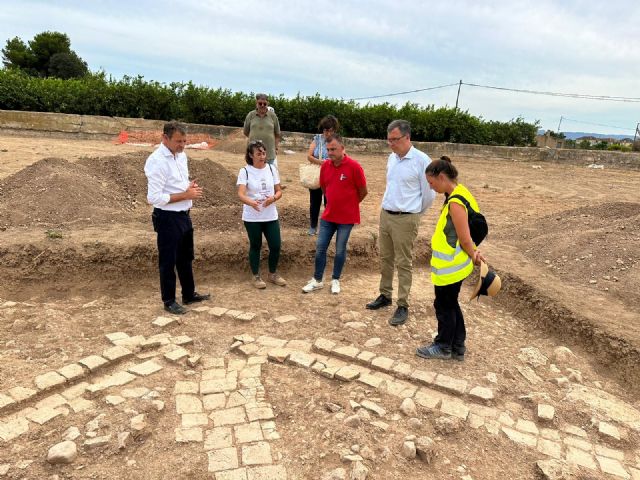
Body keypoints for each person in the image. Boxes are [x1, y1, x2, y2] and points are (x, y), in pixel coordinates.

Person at [366, 119, 436, 326]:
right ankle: (385, 295)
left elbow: (429, 194)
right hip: (386, 215)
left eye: (394, 140)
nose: (391, 144)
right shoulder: (391, 158)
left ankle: (402, 304)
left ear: (407, 137)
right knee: (385, 258)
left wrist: (414, 214)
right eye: (388, 140)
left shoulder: (422, 161)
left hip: (406, 218)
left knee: (404, 262)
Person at [416, 156, 486, 360]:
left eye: (431, 182)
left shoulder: (455, 202)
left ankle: (444, 346)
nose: (431, 187)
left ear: (442, 177)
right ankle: (458, 346)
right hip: (456, 263)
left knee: (444, 306)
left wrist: (473, 253)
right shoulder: (461, 192)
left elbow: (464, 237)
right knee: (451, 304)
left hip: (450, 266)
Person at [144, 121, 210, 315]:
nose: (182, 145)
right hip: (167, 218)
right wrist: (186, 195)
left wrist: (188, 187)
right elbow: (154, 198)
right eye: (178, 141)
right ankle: (169, 301)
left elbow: (175, 184)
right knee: (168, 261)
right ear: (165, 138)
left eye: (185, 141)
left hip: (184, 215)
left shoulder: (181, 156)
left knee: (185, 258)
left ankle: (189, 294)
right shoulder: (156, 161)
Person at [302, 134, 367, 295]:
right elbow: (324, 188)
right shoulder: (325, 166)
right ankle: (317, 280)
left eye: (333, 149)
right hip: (328, 216)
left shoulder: (354, 166)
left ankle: (335, 279)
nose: (330, 153)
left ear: (342, 148)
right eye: (328, 150)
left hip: (346, 218)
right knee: (320, 248)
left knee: (340, 250)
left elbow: (363, 191)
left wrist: (351, 204)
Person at [237, 140, 287, 289]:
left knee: (276, 245)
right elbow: (240, 194)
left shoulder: (272, 169)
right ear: (251, 155)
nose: (262, 156)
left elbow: (279, 191)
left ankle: (272, 274)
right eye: (258, 153)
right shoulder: (245, 171)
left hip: (270, 215)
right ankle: (256, 276)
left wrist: (273, 198)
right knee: (256, 245)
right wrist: (250, 202)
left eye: (264, 153)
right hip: (252, 217)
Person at [306, 115, 340, 235]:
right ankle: (313, 226)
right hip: (317, 175)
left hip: (331, 176)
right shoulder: (317, 139)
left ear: (334, 130)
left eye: (331, 130)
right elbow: (309, 156)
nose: (328, 133)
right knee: (314, 202)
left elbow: (342, 156)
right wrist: (321, 162)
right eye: (326, 130)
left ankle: (329, 227)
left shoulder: (337, 141)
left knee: (329, 202)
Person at [243, 93, 281, 167]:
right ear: (256, 103)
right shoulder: (250, 115)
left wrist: (276, 148)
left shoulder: (273, 116)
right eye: (260, 103)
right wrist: (254, 138)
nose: (262, 105)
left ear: (267, 103)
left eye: (264, 104)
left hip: (269, 153)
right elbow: (246, 132)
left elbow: (277, 134)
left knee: (269, 176)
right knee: (253, 175)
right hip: (253, 154)